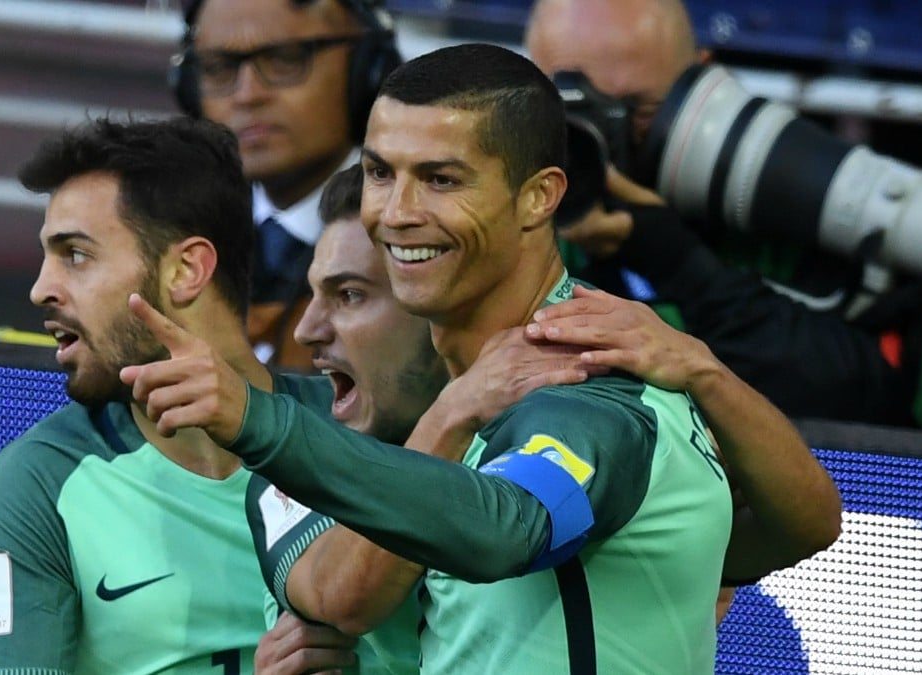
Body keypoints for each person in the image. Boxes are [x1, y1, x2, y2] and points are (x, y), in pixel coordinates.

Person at [123, 44, 738, 673]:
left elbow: (507, 530)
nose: (396, 214)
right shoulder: (388, 417)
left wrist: (254, 421)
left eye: (440, 179)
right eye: (381, 173)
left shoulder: (586, 389)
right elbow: (345, 600)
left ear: (537, 198)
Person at [252, 164, 841, 671]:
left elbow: (805, 527)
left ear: (428, 297)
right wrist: (451, 414)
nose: (308, 330)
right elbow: (342, 596)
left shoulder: (578, 417)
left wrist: (705, 371)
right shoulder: (301, 442)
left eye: (349, 295)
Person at [525, 0, 922, 432]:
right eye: (567, 114)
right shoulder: (508, 219)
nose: (597, 140)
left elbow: (851, 403)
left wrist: (676, 261)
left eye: (634, 112)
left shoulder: (797, 204)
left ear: (703, 84)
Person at [0, 114, 297, 674]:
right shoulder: (39, 481)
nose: (42, 288)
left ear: (187, 270)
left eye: (76, 254)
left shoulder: (351, 432)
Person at [172, 0, 402, 370]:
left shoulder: (412, 236)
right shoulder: (175, 236)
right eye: (219, 68)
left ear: (368, 70)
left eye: (286, 59)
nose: (247, 95)